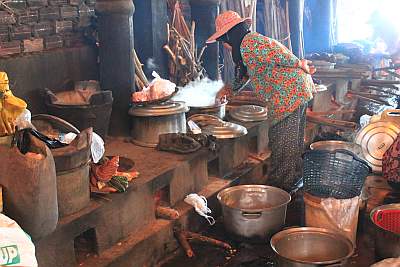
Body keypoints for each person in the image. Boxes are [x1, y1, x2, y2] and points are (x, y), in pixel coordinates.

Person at [207, 11, 316, 191]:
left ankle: (280, 188)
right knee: (292, 140)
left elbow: (279, 52)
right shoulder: (246, 45)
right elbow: (243, 74)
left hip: (288, 93)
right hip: (295, 91)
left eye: (223, 40)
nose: (224, 45)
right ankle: (293, 179)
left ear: (230, 35)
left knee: (282, 141)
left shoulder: (250, 43)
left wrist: (298, 63)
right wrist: (228, 90)